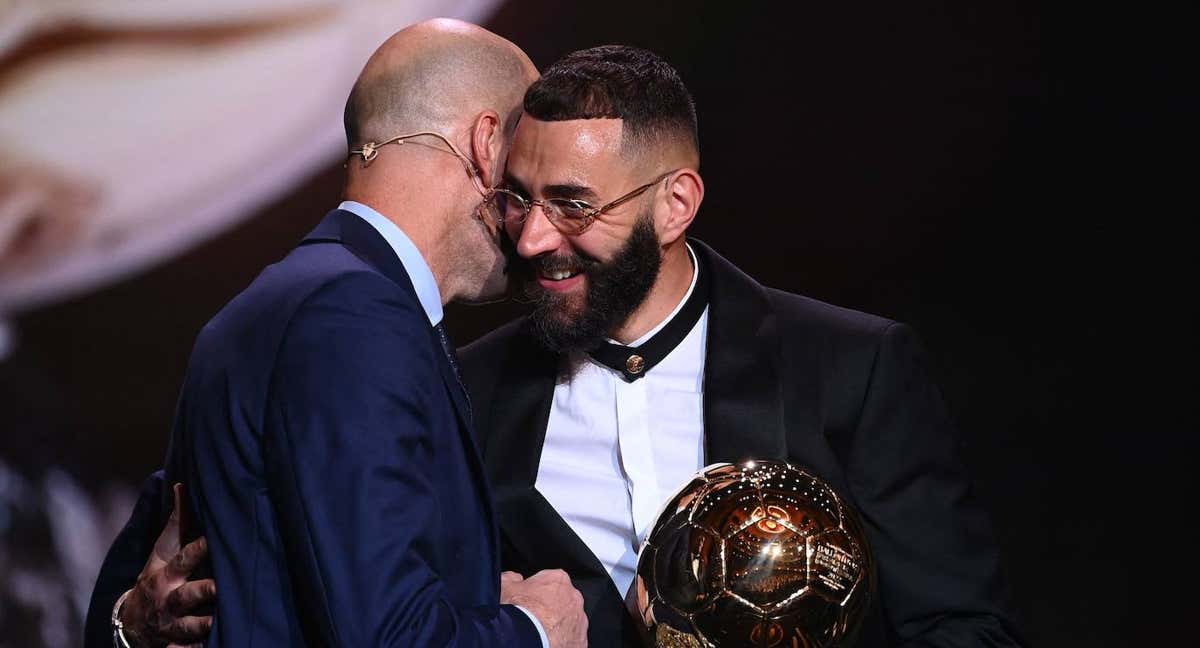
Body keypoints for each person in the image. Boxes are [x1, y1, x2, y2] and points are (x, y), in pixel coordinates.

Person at [91, 44, 1024, 647]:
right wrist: (134, 621)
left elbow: (967, 629)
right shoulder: (465, 386)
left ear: (676, 204)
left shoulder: (849, 370)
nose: (533, 239)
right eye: (518, 200)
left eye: (572, 206)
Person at [82, 19, 587, 648]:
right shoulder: (356, 319)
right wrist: (535, 628)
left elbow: (142, 592)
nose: (535, 223)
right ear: (487, 146)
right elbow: (383, 636)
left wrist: (126, 628)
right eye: (529, 167)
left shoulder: (274, 301)